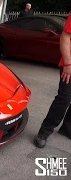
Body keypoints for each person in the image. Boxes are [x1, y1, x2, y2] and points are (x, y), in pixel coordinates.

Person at [34, 12, 71, 148]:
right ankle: (44, 131)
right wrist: (67, 64)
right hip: (70, 66)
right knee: (64, 99)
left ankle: (67, 129)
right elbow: (65, 38)